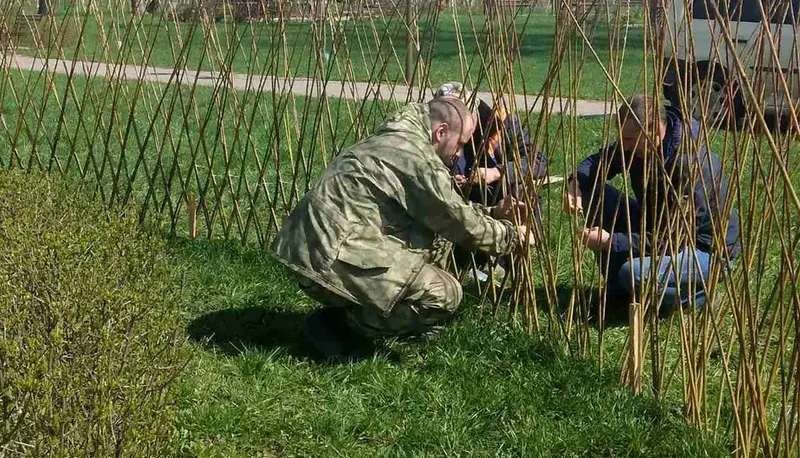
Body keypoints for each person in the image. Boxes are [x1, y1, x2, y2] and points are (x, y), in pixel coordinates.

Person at [271, 96, 532, 361]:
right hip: (330, 257)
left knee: (430, 245)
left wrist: (492, 213)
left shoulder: (397, 136)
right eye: (461, 143)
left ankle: (363, 311)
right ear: (441, 132)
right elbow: (457, 222)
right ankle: (339, 326)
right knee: (446, 295)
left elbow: (437, 216)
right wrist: (510, 234)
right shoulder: (416, 160)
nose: (459, 153)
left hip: (307, 246)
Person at [562, 93, 739, 316]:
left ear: (654, 130)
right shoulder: (638, 145)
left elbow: (674, 240)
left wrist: (611, 241)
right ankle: (619, 293)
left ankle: (700, 296)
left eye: (628, 140)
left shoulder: (688, 165)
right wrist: (575, 184)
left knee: (632, 273)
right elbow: (597, 162)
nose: (623, 147)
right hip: (656, 225)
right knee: (591, 194)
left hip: (702, 249)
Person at [433, 82, 548, 283]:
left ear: (474, 112)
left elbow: (538, 161)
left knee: (522, 187)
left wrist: (498, 172)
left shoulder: (502, 122)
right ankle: (466, 258)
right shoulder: (435, 132)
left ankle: (514, 253)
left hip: (499, 192)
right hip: (461, 205)